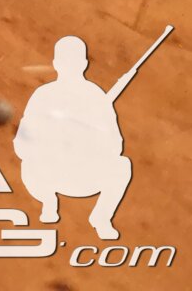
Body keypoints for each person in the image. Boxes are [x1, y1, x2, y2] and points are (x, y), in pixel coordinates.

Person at [16, 35, 137, 240]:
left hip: (82, 175)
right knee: (31, 161)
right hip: (47, 175)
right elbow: (22, 144)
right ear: (84, 64)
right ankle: (48, 202)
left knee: (122, 165)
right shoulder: (44, 95)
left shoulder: (96, 98)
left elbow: (116, 145)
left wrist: (87, 139)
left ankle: (101, 218)